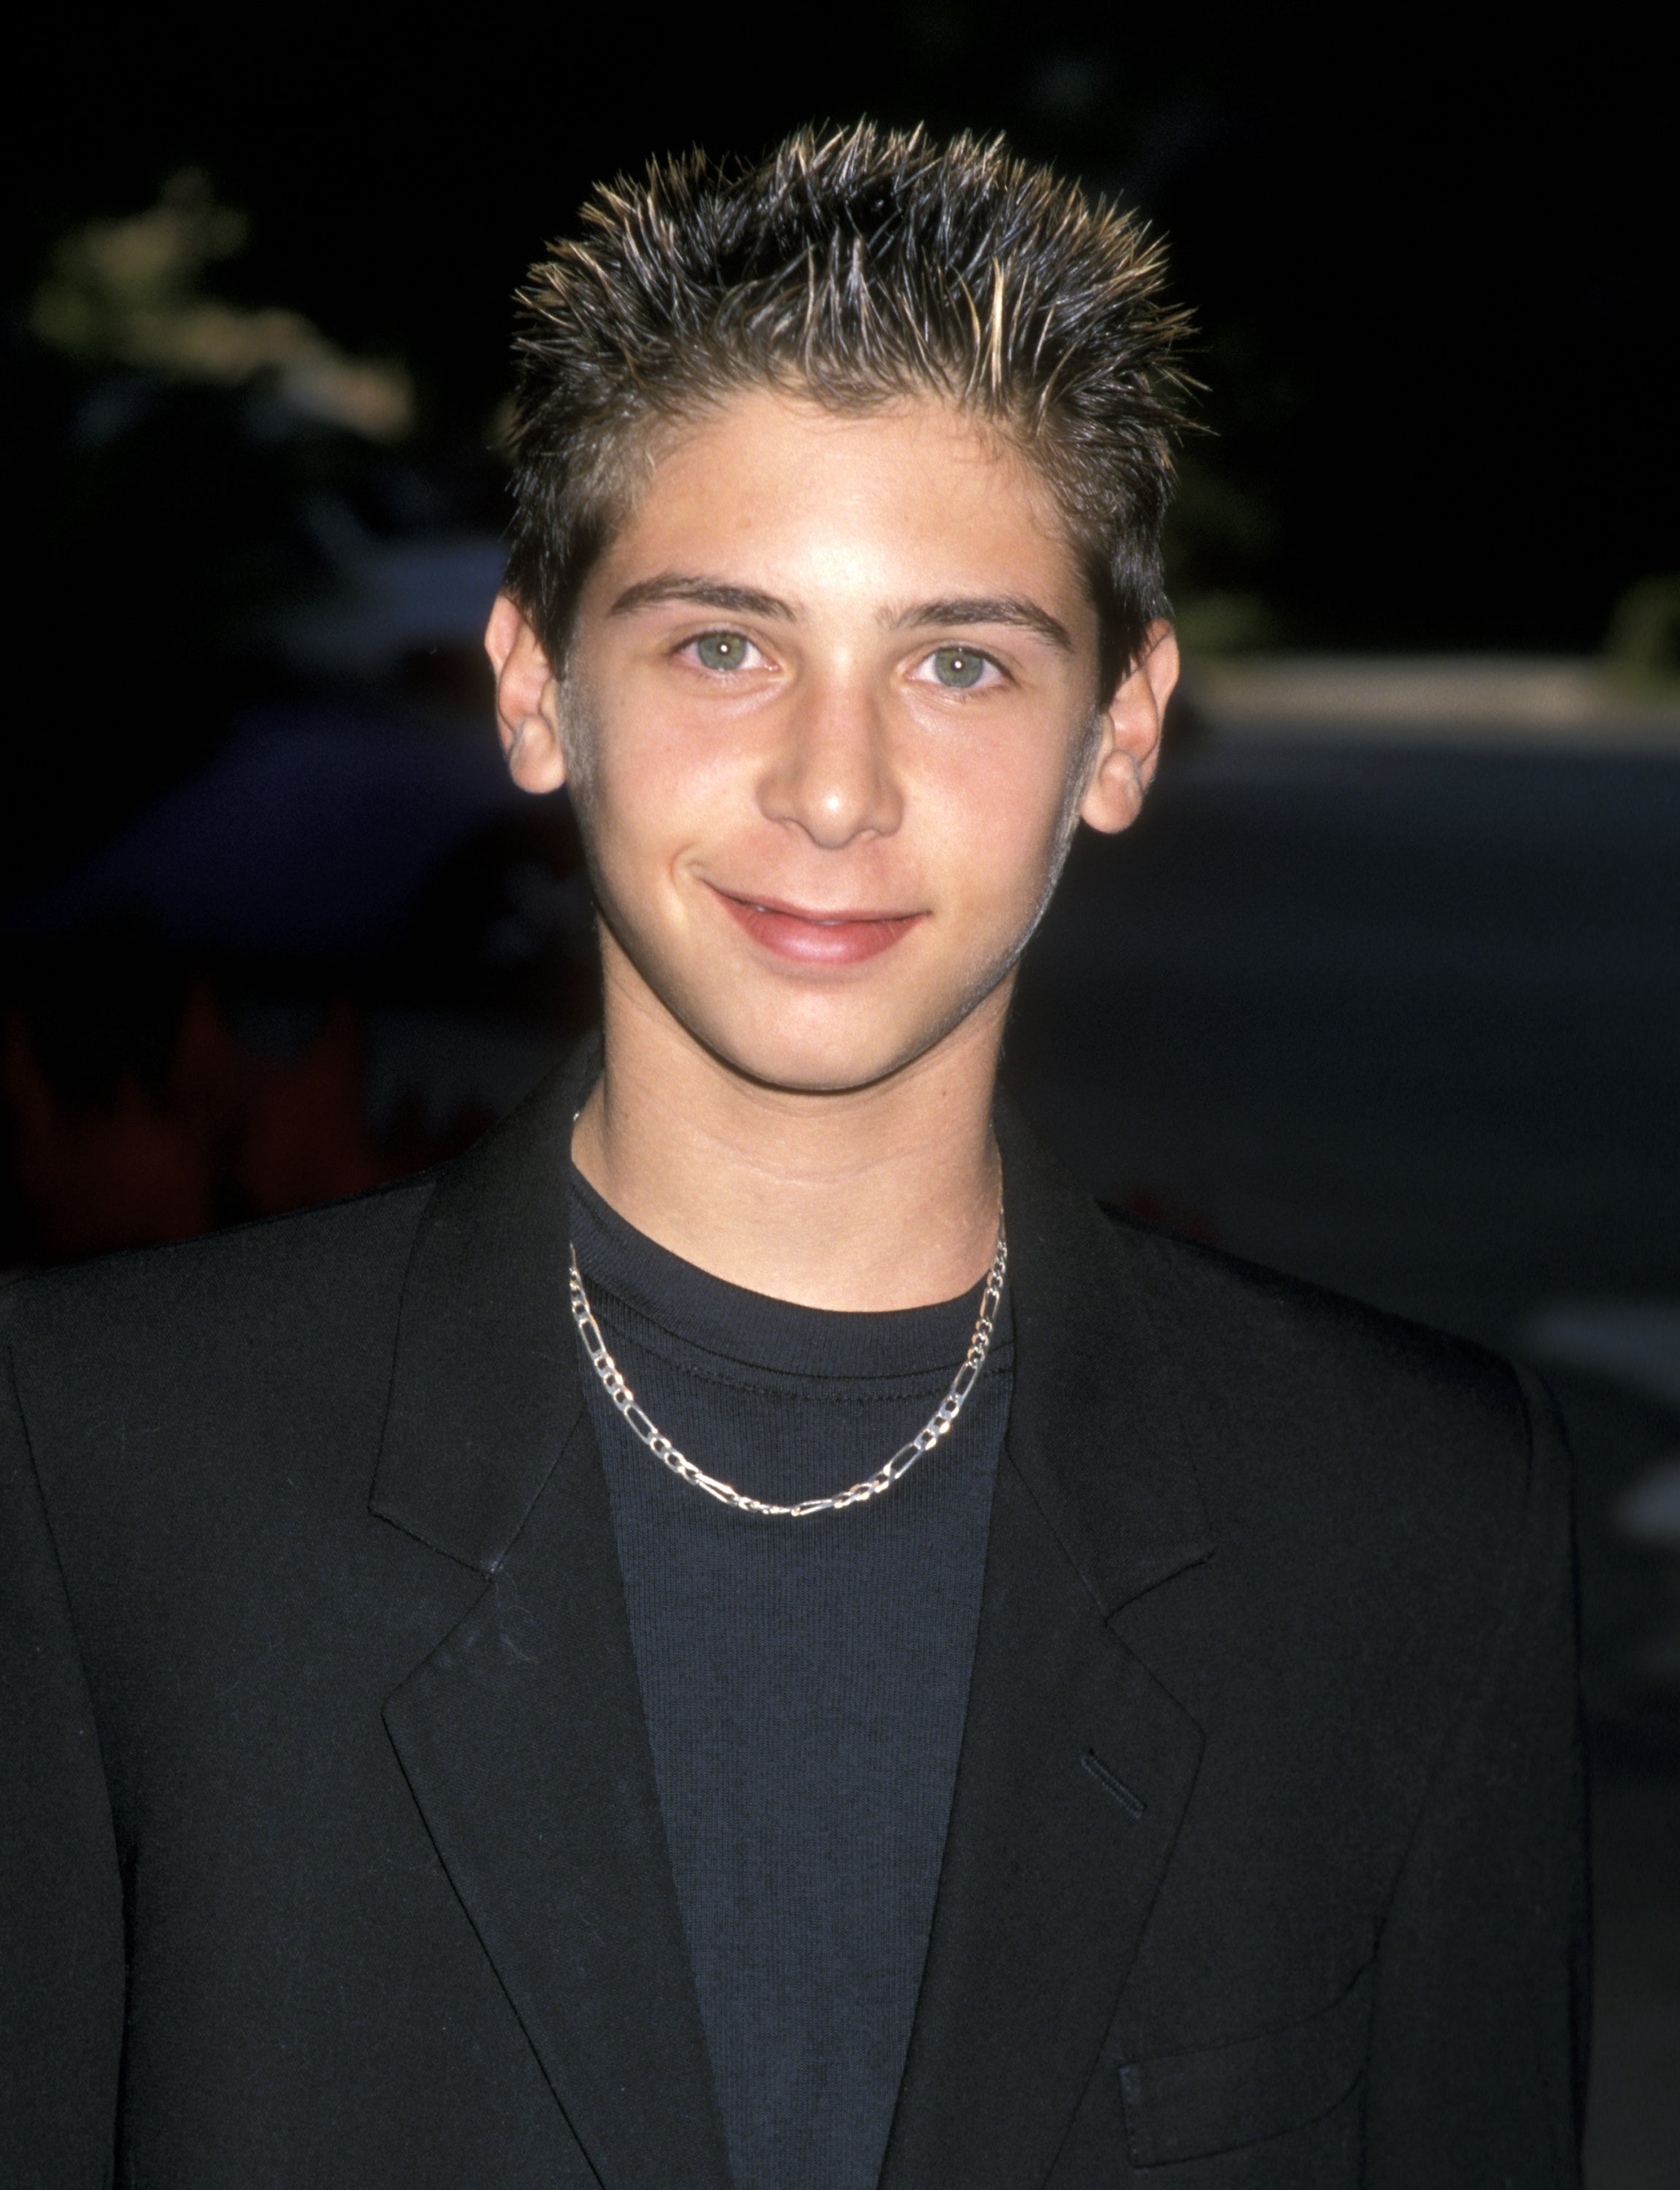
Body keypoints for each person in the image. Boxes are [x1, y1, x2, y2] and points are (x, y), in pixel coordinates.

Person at [1, 125, 1586, 2189]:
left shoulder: (1417, 1530)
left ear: (1123, 728)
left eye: (958, 662)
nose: (835, 789)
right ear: (533, 687)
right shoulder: (105, 1473)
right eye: (725, 645)